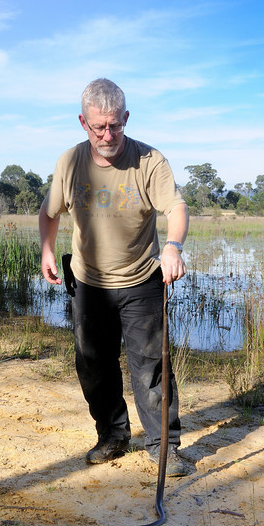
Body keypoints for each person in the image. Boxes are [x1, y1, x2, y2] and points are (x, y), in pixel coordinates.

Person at [39, 78, 189, 476]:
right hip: (88, 283)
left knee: (151, 367)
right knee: (93, 364)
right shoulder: (70, 162)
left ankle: (164, 447)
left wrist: (172, 247)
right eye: (98, 127)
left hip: (141, 280)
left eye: (115, 125)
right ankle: (113, 435)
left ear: (126, 118)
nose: (108, 135)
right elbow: (49, 212)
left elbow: (176, 208)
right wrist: (47, 250)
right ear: (82, 122)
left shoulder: (149, 160)